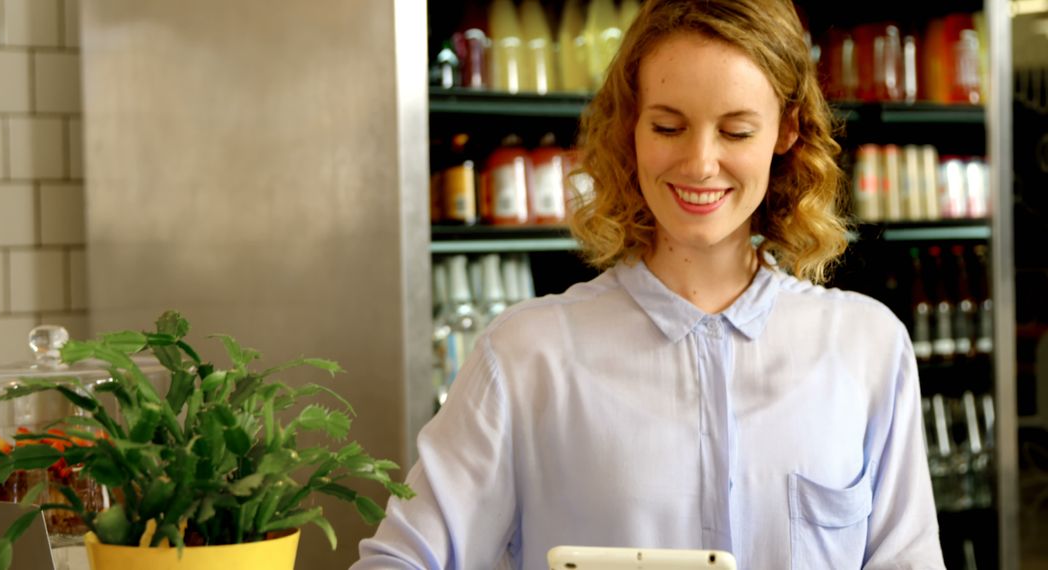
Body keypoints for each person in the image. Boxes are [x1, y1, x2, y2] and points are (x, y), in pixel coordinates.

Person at [355, 0, 945, 568]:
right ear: (631, 125)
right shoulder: (523, 357)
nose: (699, 163)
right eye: (668, 126)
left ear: (787, 131)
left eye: (736, 132)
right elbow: (400, 559)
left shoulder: (867, 348)